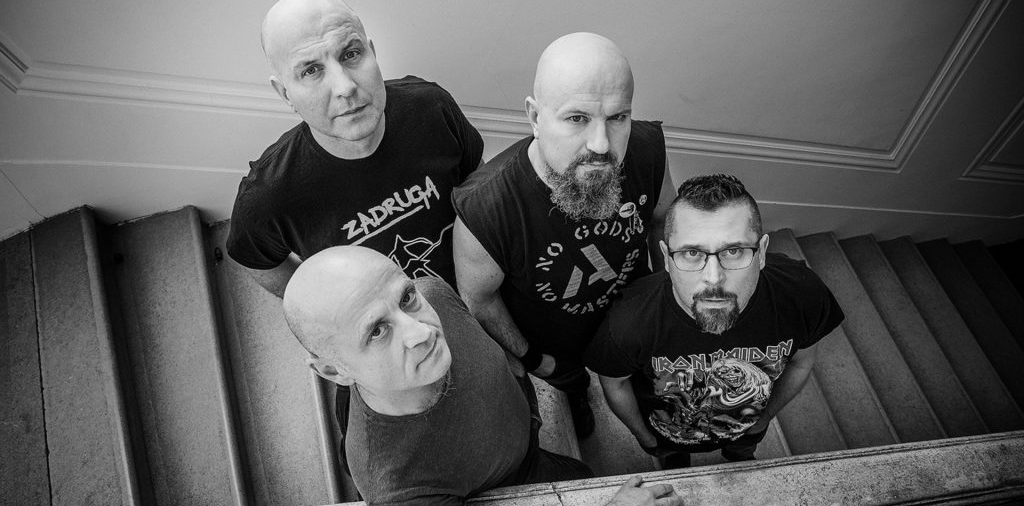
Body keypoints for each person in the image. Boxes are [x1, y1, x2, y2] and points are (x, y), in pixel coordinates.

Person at [282, 246, 683, 506]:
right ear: (334, 370)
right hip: (512, 480)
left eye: (405, 298)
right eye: (376, 331)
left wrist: (517, 370)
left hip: (523, 440)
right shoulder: (399, 488)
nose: (422, 332)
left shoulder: (432, 293)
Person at [452, 33, 675, 438]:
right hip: (556, 347)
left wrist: (668, 302)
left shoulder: (646, 149)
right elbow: (479, 300)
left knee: (651, 390)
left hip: (635, 322)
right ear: (535, 117)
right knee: (572, 385)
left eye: (618, 117)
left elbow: (663, 222)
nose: (601, 144)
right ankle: (576, 396)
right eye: (577, 118)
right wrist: (536, 360)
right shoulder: (485, 210)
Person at [227, 0, 483, 297]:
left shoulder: (432, 107)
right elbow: (259, 263)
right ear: (286, 94)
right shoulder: (268, 194)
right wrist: (330, 305)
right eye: (311, 70)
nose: (345, 87)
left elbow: (481, 187)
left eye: (351, 54)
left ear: (372, 52)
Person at [584, 174, 845, 468]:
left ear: (761, 253)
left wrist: (765, 419)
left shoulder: (802, 296)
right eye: (691, 253)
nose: (713, 278)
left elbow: (802, 362)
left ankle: (738, 457)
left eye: (733, 251)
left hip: (747, 430)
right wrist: (645, 437)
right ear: (666, 258)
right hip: (668, 436)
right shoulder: (627, 323)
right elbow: (615, 385)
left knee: (742, 458)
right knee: (674, 464)